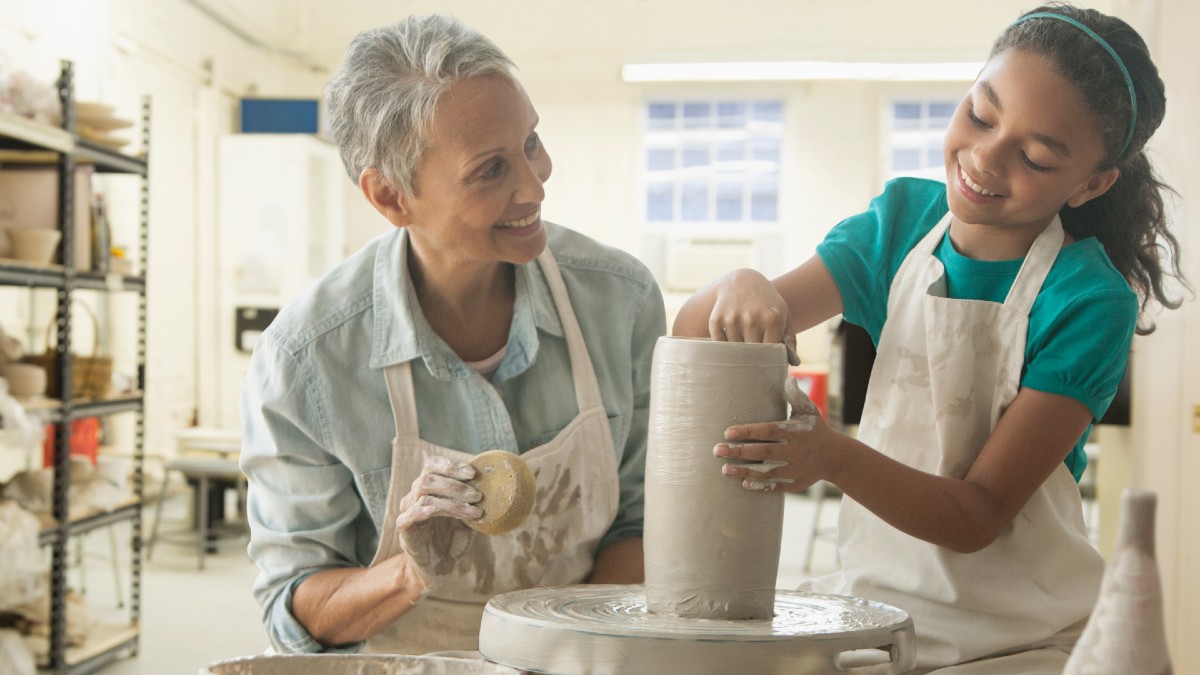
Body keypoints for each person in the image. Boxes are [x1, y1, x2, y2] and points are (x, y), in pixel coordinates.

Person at [673, 4, 1186, 673]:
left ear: (1091, 183)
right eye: (980, 113)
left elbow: (979, 514)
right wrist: (743, 283)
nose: (984, 158)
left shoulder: (1088, 299)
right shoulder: (897, 227)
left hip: (1022, 637)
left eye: (1032, 156)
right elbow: (691, 336)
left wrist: (832, 456)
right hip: (872, 615)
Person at [239, 13, 665, 656]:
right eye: (490, 169)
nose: (534, 183)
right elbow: (295, 608)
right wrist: (413, 571)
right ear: (391, 197)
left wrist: (562, 651)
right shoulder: (307, 359)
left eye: (531, 143)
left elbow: (639, 524)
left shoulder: (618, 301)